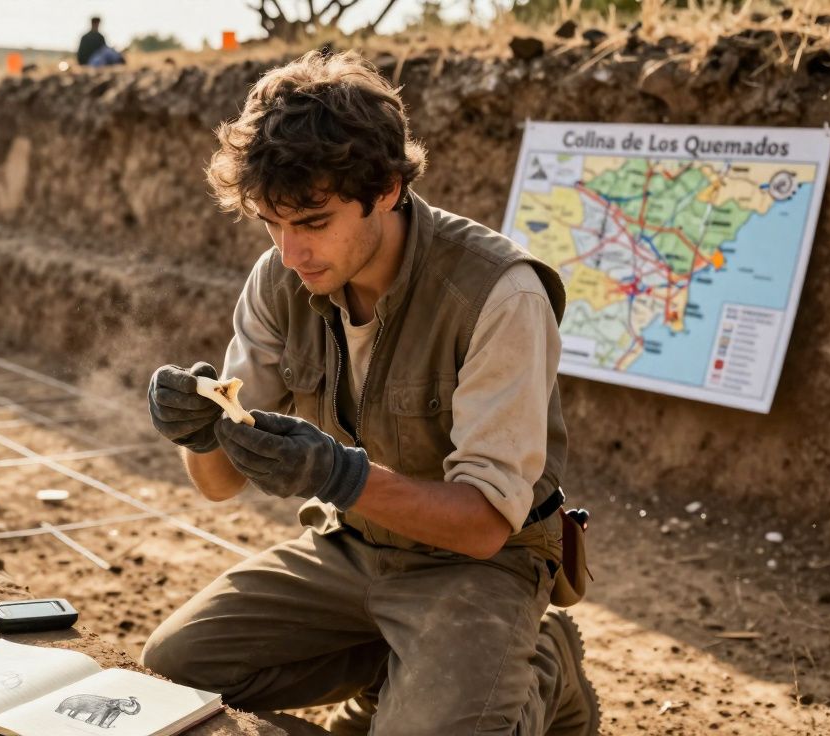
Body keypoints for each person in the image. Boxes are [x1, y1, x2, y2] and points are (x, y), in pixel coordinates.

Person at [142, 50, 599, 735]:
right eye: (273, 222)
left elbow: (483, 525)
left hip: (480, 567)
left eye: (314, 222)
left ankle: (539, 664)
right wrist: (198, 430)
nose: (291, 253)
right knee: (173, 680)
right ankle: (402, 680)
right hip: (356, 549)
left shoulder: (499, 295)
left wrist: (339, 474)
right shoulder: (280, 279)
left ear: (385, 188)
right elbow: (218, 485)